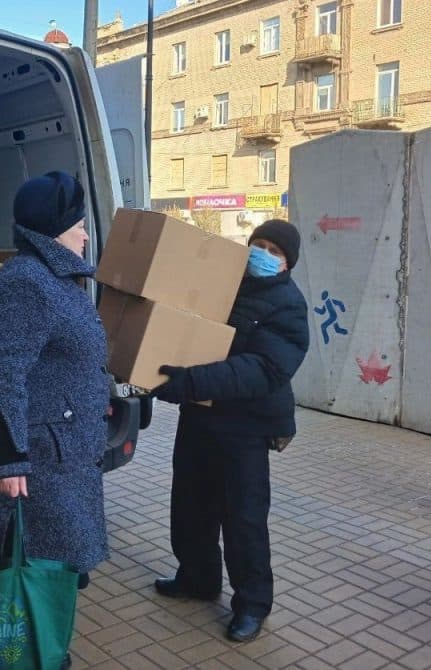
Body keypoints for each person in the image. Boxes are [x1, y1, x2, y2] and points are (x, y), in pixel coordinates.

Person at [0, 172, 107, 669]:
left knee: (52, 567)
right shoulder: (27, 282)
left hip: (60, 451)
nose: (86, 234)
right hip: (36, 463)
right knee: (34, 566)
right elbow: (0, 375)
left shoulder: (54, 276)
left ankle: (43, 651)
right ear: (55, 228)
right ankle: (32, 656)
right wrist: (5, 461)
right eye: (79, 225)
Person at [151, 220, 309, 643]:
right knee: (190, 504)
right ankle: (197, 577)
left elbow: (265, 369)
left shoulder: (289, 305)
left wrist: (192, 382)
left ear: (287, 261)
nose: (262, 253)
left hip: (247, 425)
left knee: (244, 518)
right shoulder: (225, 286)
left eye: (273, 249)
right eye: (257, 244)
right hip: (201, 418)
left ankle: (253, 604)